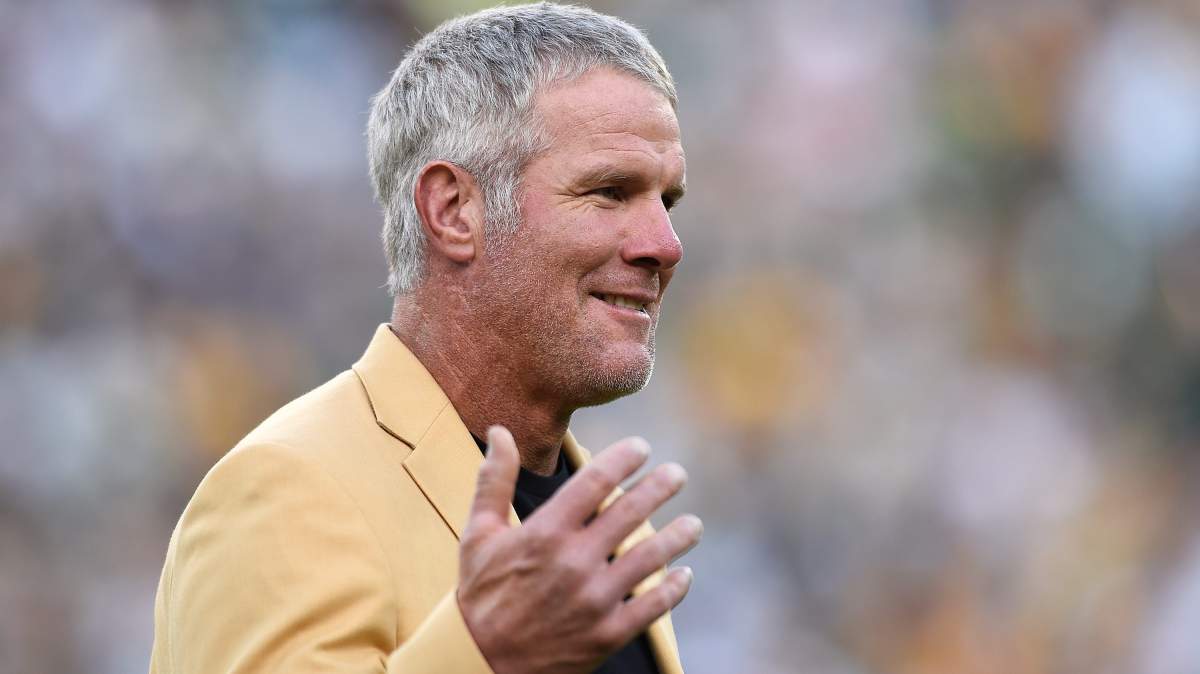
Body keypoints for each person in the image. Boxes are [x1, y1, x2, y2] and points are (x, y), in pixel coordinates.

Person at [149, 3, 701, 673]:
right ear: (453, 211)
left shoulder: (604, 528)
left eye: (666, 201)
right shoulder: (286, 489)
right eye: (610, 191)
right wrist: (486, 653)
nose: (665, 245)